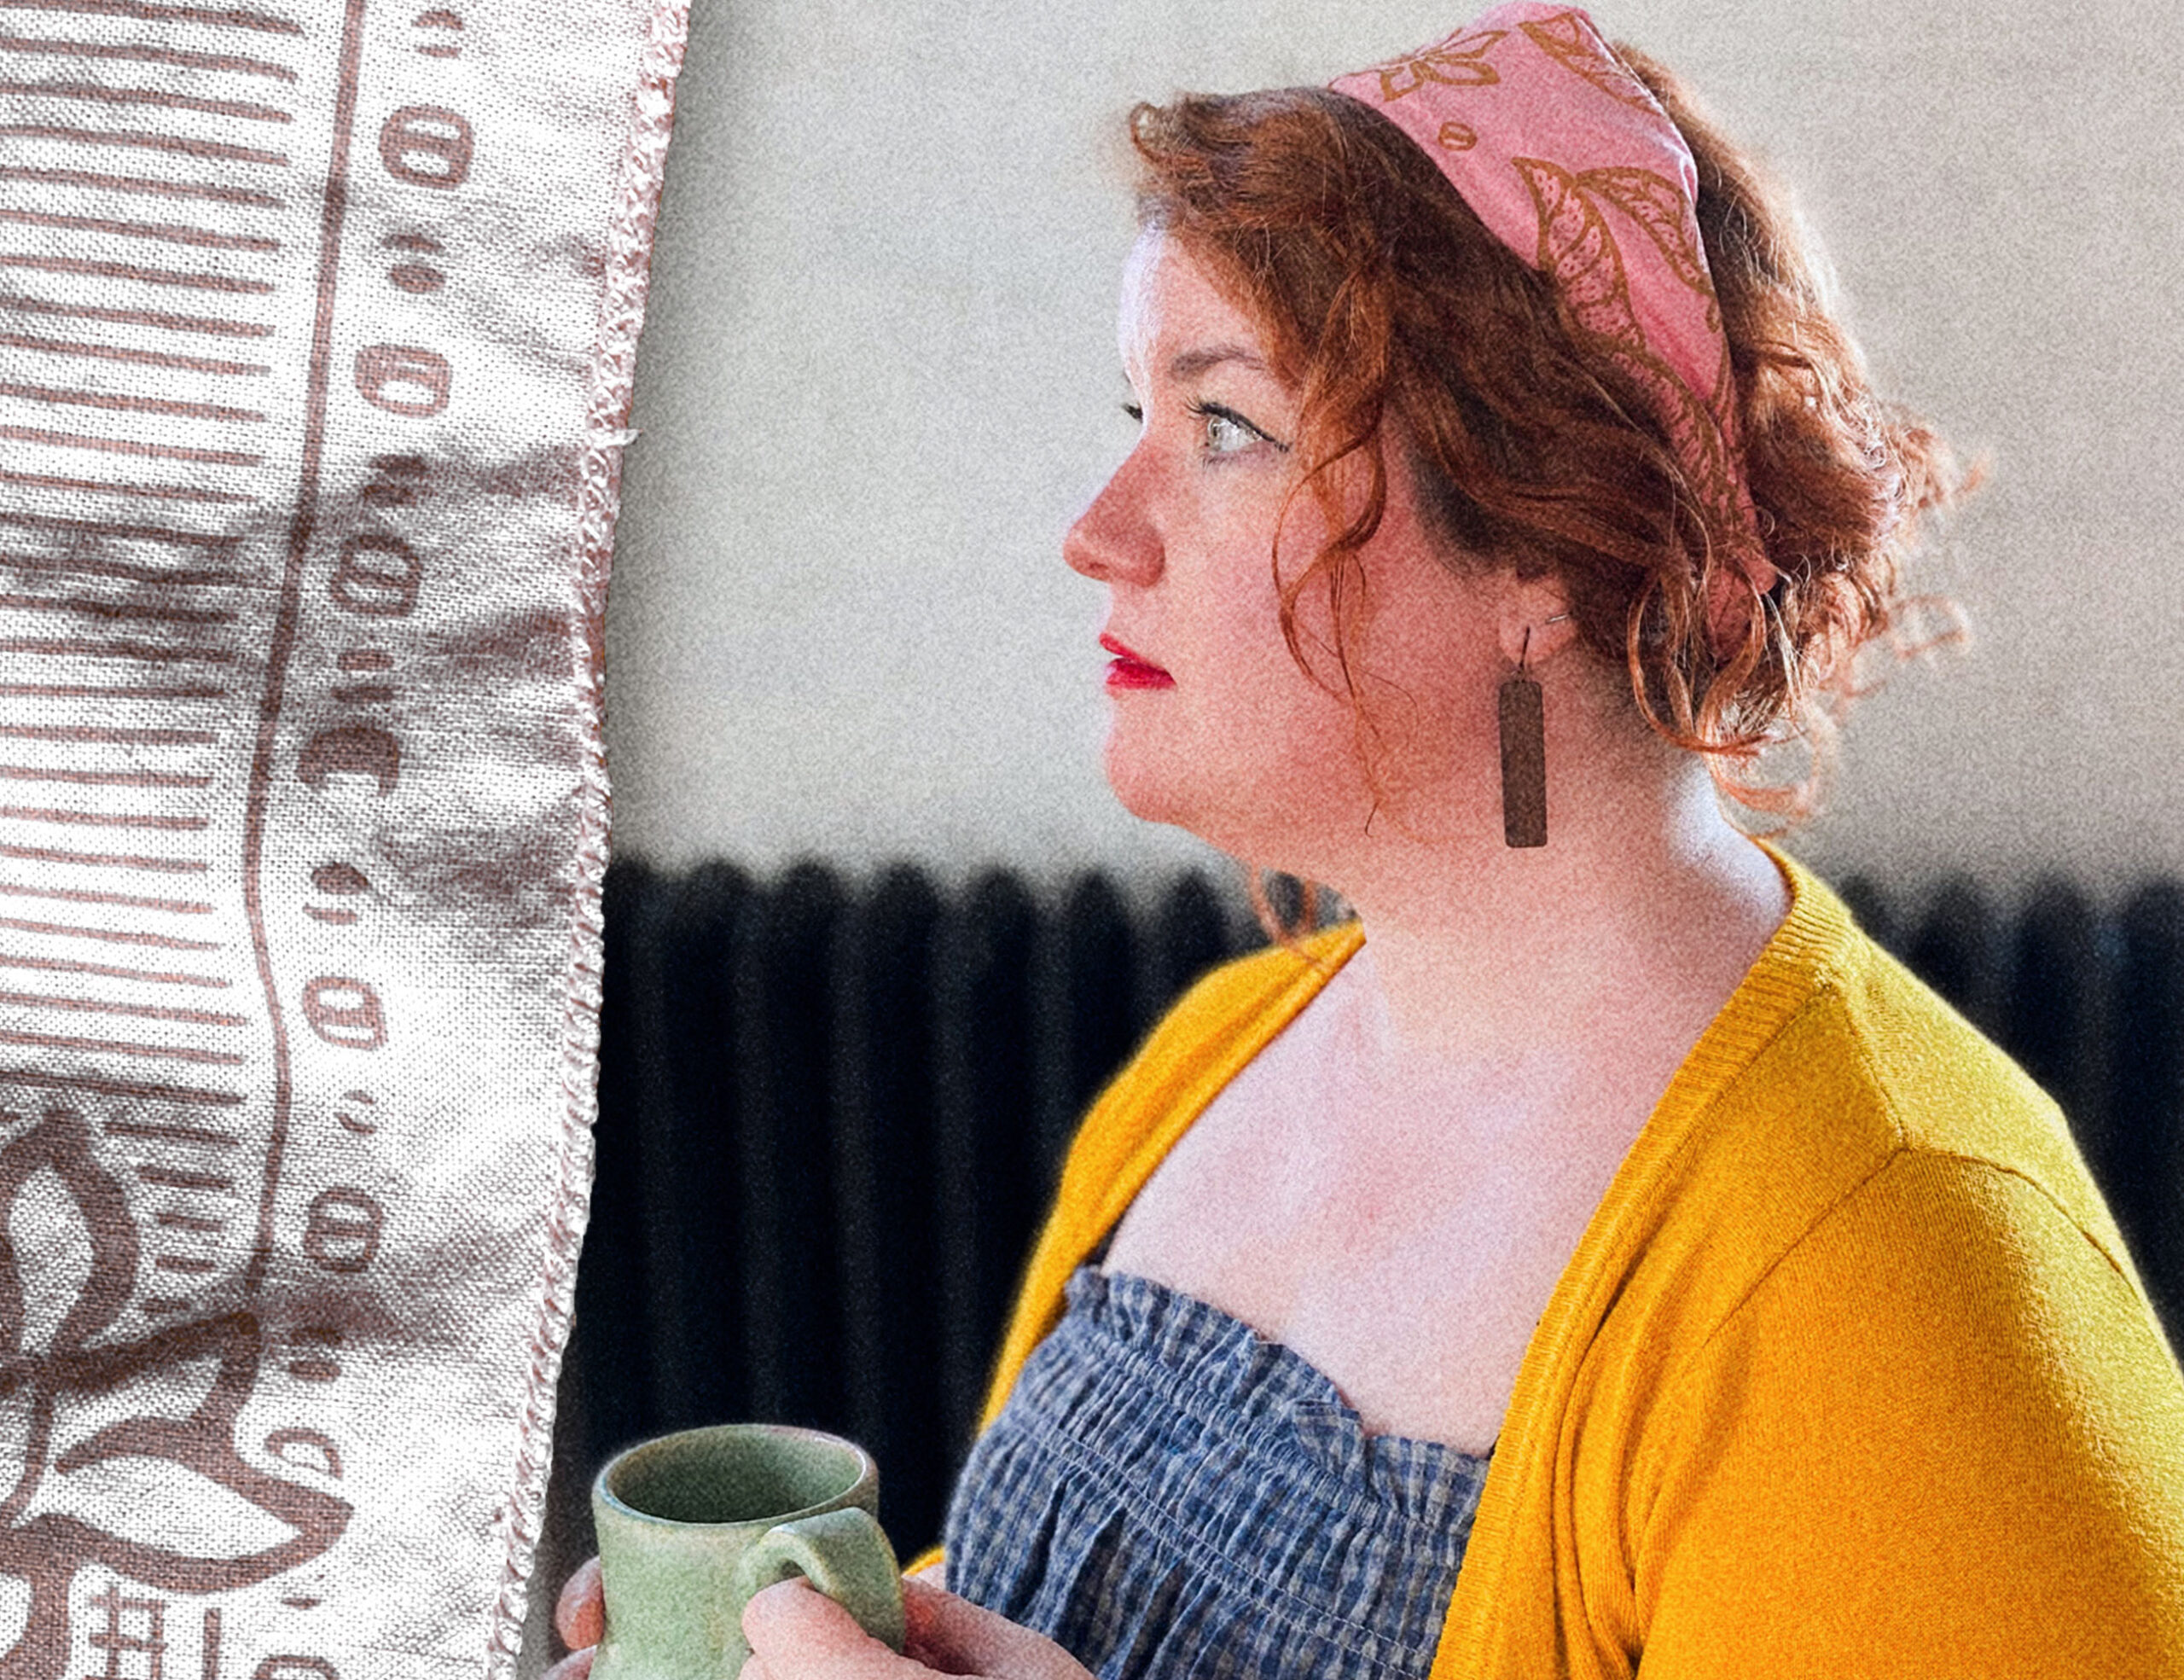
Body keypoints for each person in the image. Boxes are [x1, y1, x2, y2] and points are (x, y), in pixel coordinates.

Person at [550, 6, 2184, 1676]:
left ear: (1550, 533)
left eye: (1226, 425)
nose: (1098, 531)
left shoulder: (1902, 1282)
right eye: (1135, 412)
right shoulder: (1201, 1066)